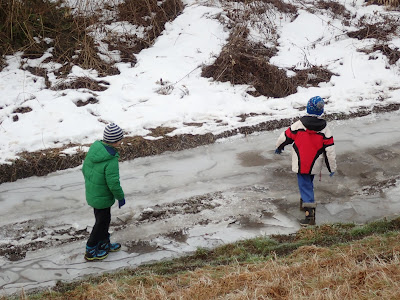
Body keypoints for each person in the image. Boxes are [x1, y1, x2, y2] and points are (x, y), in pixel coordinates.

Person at [275, 96, 336, 226]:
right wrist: (332, 168)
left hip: (300, 162)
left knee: (305, 185)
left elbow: (285, 136)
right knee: (307, 183)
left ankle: (309, 215)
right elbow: (330, 151)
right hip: (314, 163)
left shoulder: (299, 125)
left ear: (308, 108)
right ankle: (305, 203)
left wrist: (279, 146)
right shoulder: (325, 129)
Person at [82, 123, 126, 261]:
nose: (121, 141)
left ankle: (103, 244)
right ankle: (90, 249)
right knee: (101, 222)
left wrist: (93, 184)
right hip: (102, 196)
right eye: (120, 139)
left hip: (93, 192)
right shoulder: (110, 159)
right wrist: (120, 197)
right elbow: (113, 183)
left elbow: (85, 169)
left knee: (104, 220)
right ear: (114, 141)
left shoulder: (96, 149)